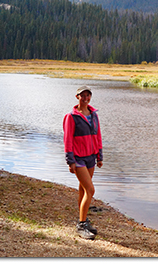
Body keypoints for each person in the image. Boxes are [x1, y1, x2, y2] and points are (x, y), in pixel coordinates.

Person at [63, 85, 103, 240]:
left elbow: (98, 136)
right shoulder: (71, 117)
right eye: (82, 95)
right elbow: (67, 140)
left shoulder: (94, 115)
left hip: (90, 158)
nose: (85, 98)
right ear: (77, 97)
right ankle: (81, 225)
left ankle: (84, 220)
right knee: (90, 190)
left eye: (88, 95)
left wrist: (99, 156)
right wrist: (70, 161)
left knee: (83, 190)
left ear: (90, 97)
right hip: (78, 158)